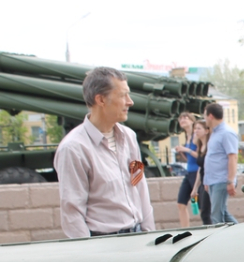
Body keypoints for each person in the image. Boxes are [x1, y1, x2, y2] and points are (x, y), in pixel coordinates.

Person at [55, 66, 155, 238]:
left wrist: (150, 235)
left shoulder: (129, 138)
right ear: (101, 100)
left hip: (137, 238)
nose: (130, 101)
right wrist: (91, 257)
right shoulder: (74, 148)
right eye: (123, 95)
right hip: (103, 244)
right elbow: (72, 213)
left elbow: (139, 186)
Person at [202, 102, 238, 224]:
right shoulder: (215, 133)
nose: (204, 119)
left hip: (221, 180)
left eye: (205, 116)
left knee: (216, 215)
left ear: (210, 116)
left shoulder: (226, 133)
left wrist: (230, 180)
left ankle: (221, 241)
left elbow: (232, 157)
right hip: (213, 180)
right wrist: (207, 180)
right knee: (223, 213)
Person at [174, 112, 200, 227]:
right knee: (181, 203)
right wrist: (182, 152)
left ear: (192, 121)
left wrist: (186, 149)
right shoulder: (187, 137)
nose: (183, 120)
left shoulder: (196, 135)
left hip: (197, 173)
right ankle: (185, 229)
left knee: (200, 204)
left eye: (186, 118)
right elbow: (189, 158)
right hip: (189, 172)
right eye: (181, 119)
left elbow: (200, 156)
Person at [189, 120, 213, 225]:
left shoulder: (210, 146)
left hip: (210, 181)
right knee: (204, 211)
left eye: (199, 128)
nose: (196, 131)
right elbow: (200, 169)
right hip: (203, 182)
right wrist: (195, 188)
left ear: (206, 131)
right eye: (195, 129)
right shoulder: (200, 147)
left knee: (206, 213)